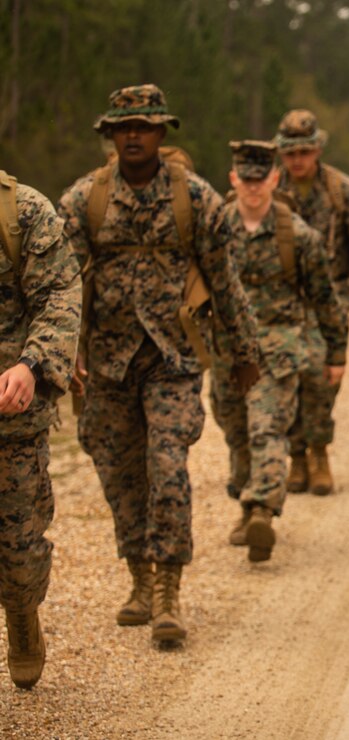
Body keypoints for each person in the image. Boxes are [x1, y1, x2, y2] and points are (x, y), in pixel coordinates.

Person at [58, 84, 262, 648]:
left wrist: (244, 353)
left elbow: (225, 281)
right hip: (106, 362)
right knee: (121, 474)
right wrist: (64, 355)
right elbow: (62, 289)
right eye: (123, 127)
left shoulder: (196, 200)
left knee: (167, 465)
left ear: (161, 132)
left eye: (143, 127)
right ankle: (139, 580)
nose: (133, 136)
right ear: (109, 135)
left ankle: (170, 589)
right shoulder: (82, 202)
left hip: (173, 358)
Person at [211, 141, 348, 563]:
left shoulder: (298, 236)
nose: (253, 188)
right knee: (236, 436)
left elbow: (325, 298)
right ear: (234, 180)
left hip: (278, 352)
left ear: (273, 179)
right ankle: (245, 503)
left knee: (267, 431)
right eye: (245, 180)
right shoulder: (213, 231)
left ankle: (261, 512)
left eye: (261, 179)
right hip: (227, 354)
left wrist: (336, 354)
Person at [274, 109, 349, 497]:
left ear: (318, 150)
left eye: (304, 152)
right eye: (290, 153)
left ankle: (319, 451)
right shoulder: (272, 193)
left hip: (334, 298)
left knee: (323, 379)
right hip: (282, 302)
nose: (297, 161)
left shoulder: (346, 194)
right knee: (285, 377)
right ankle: (296, 455)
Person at [0, 171, 80, 688]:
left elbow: (60, 293)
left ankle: (22, 614)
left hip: (11, 412)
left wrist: (32, 364)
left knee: (19, 551)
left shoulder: (24, 213)